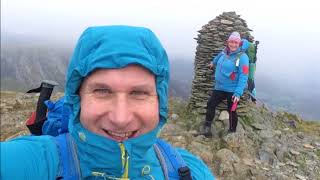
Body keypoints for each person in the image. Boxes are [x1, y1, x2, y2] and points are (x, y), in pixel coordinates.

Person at [1, 25, 215, 179]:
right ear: (78, 99)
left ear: (160, 102)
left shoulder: (190, 171)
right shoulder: (30, 162)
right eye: (102, 91)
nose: (120, 118)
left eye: (139, 93)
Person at [199, 31, 249, 137]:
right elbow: (218, 57)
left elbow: (243, 76)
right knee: (210, 104)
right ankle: (207, 126)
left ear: (239, 43)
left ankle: (232, 132)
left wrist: (238, 93)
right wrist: (213, 63)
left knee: (232, 110)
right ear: (228, 42)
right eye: (231, 42)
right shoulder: (224, 52)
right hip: (219, 87)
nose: (233, 44)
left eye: (236, 42)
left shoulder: (243, 57)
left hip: (232, 89)